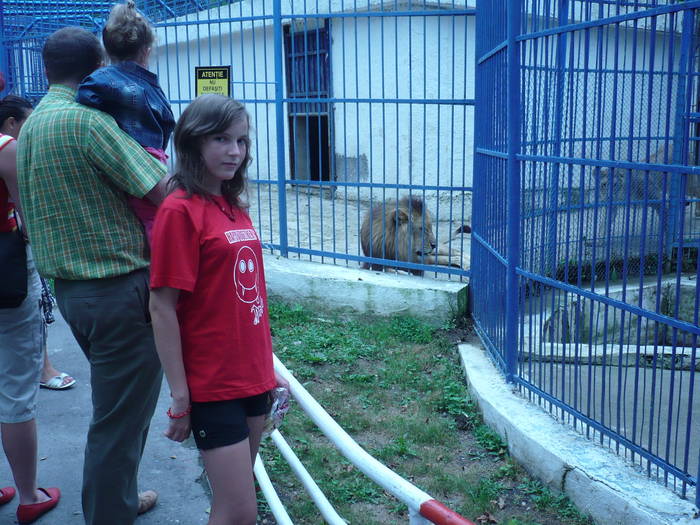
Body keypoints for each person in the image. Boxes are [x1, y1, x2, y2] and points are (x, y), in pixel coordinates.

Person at [16, 27, 168, 525]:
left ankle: (118, 499)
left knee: (116, 408)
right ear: (99, 64)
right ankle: (109, 512)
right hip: (117, 290)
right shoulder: (86, 123)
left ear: (44, 70)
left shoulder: (34, 123)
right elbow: (159, 189)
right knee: (120, 418)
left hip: (72, 294)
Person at [149, 94, 289, 525]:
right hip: (213, 384)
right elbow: (162, 306)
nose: (235, 151)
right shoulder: (180, 210)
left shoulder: (230, 205)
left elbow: (240, 297)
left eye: (242, 141)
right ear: (193, 142)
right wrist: (180, 395)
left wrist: (266, 367)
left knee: (232, 506)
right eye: (221, 139)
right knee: (241, 512)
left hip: (251, 376)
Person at [0, 77, 60, 524]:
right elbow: (29, 218)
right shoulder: (7, 148)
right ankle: (28, 494)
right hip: (8, 282)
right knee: (16, 388)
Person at [77, 0, 175, 242]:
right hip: (153, 160)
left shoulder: (99, 80)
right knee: (156, 220)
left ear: (107, 51)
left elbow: (84, 97)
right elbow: (168, 122)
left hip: (123, 161)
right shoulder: (151, 85)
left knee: (146, 221)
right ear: (147, 50)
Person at [0, 94, 76, 391]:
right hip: (8, 247)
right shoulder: (7, 147)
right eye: (27, 123)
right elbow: (26, 207)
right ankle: (43, 370)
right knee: (29, 315)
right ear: (11, 123)